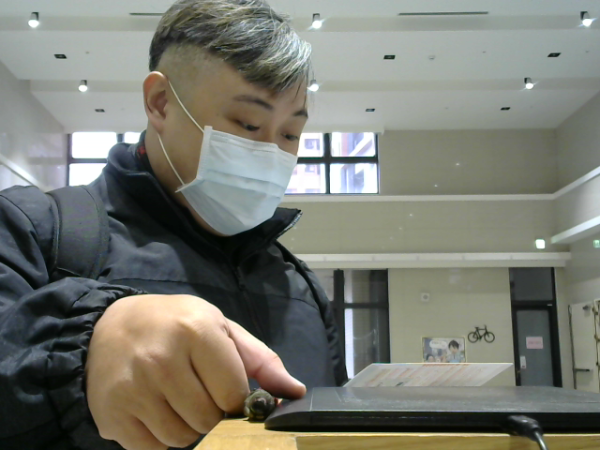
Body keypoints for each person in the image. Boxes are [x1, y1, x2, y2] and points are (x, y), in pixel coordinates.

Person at [0, 1, 347, 449]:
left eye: (290, 135)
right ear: (160, 103)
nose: (270, 153)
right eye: (248, 123)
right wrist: (78, 350)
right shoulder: (34, 229)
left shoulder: (300, 286)